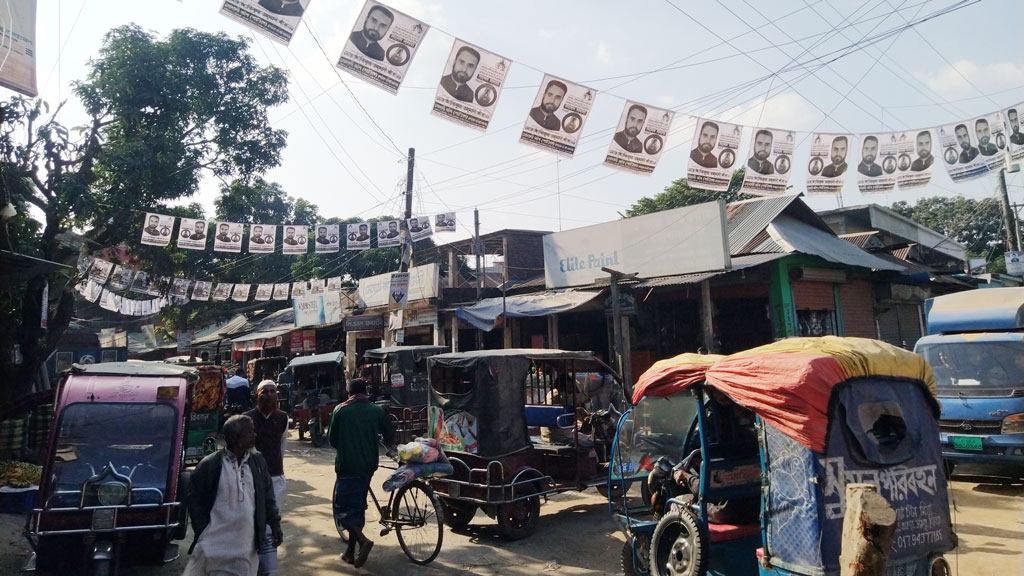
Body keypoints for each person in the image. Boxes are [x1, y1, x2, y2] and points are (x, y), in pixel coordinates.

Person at [184, 415, 282, 576]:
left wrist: (275, 524)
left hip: (246, 542)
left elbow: (267, 495)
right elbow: (194, 499)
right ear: (235, 438)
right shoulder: (210, 464)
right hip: (214, 544)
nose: (255, 435)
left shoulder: (257, 461)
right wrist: (202, 531)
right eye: (250, 433)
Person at [327, 378, 395, 568]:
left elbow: (332, 440)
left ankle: (363, 541)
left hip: (347, 467)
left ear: (349, 393)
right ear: (366, 392)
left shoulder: (340, 410)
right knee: (357, 507)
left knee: (341, 509)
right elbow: (390, 434)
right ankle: (350, 552)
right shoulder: (376, 410)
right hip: (368, 466)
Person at [244, 381, 289, 576]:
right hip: (251, 477)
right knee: (251, 518)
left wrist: (278, 469)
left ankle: (267, 567)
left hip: (275, 476)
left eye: (273, 391)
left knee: (271, 521)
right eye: (265, 391)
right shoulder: (247, 419)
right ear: (257, 395)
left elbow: (282, 446)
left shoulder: (283, 418)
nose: (269, 395)